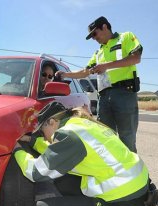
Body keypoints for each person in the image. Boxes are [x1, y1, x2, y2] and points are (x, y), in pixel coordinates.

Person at [14, 101, 155, 206]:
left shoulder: (69, 135)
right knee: (62, 178)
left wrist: (18, 151)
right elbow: (55, 150)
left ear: (52, 122)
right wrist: (33, 141)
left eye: (43, 132)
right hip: (139, 200)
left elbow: (35, 172)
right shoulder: (81, 126)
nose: (45, 138)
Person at [56, 16, 142, 152]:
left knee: (127, 138)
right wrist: (66, 74)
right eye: (92, 36)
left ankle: (134, 172)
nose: (94, 38)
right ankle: (111, 171)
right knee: (106, 138)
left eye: (95, 33)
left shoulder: (125, 37)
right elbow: (85, 72)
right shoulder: (98, 53)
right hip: (104, 99)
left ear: (105, 27)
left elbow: (136, 58)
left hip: (124, 94)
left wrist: (106, 66)